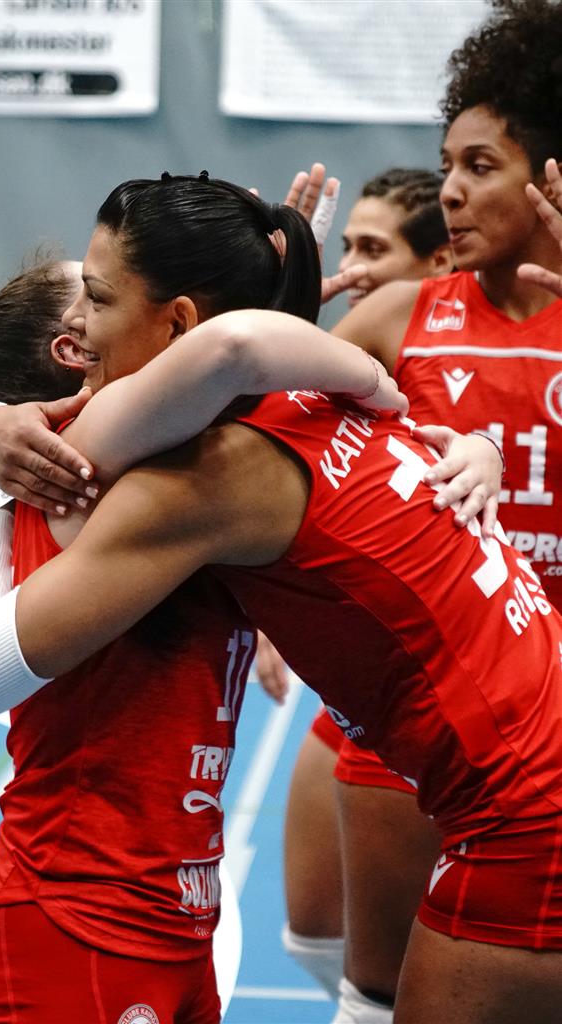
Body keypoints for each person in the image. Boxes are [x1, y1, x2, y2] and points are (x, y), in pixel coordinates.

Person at [0, 171, 561, 1024]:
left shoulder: (213, 465)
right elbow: (233, 351)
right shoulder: (306, 405)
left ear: (179, 322)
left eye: (100, 299)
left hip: (518, 810)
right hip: (99, 912)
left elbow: (231, 349)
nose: (82, 323)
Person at [295, 1, 561, 1018]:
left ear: (549, 177)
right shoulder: (396, 318)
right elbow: (237, 440)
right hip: (421, 726)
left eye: (479, 165)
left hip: (547, 737)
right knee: (372, 994)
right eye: (445, 162)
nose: (447, 188)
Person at [279, 167, 453, 998]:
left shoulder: (461, 337)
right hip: (371, 680)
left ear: (438, 261)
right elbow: (248, 418)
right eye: (345, 245)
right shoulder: (355, 349)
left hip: (482, 693)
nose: (351, 267)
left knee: (401, 982)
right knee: (312, 937)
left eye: (371, 248)